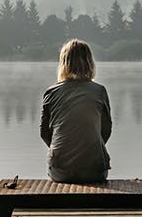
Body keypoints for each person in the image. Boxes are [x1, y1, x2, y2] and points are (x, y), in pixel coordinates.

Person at [40, 39, 112, 183]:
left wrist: (63, 152)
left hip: (61, 171)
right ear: (89, 62)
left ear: (63, 63)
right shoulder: (99, 91)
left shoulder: (51, 93)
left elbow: (45, 134)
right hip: (95, 171)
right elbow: (106, 130)